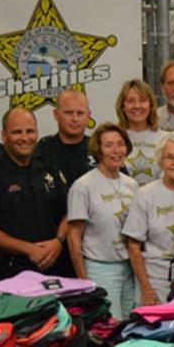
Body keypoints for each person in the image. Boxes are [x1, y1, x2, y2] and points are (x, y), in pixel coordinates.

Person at [0, 108, 70, 282]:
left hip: (52, 266)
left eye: (30, 131)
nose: (25, 138)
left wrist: (58, 241)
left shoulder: (49, 168)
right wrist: (28, 249)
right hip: (8, 271)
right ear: (4, 136)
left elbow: (69, 213)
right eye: (17, 132)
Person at [66, 123, 139, 320]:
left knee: (129, 326)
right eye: (109, 145)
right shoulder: (83, 186)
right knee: (108, 328)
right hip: (100, 268)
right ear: (98, 150)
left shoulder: (132, 185)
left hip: (129, 267)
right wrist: (84, 281)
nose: (116, 151)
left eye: (120, 144)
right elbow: (73, 236)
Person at [123, 134, 174, 306]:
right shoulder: (145, 194)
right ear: (160, 162)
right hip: (156, 281)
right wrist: (146, 289)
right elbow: (133, 245)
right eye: (169, 158)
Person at [35, 89, 93, 186]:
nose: (75, 119)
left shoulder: (99, 150)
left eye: (80, 113)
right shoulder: (42, 152)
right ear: (56, 114)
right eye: (69, 113)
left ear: (88, 116)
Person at [116, 80, 164, 186]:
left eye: (143, 100)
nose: (137, 106)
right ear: (122, 106)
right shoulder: (113, 138)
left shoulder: (165, 139)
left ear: (151, 105)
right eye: (131, 101)